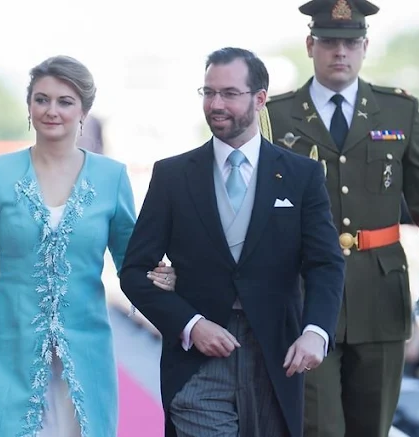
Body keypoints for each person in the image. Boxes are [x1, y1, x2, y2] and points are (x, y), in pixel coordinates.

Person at [0, 55, 177, 437]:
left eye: (65, 101)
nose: (52, 110)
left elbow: (134, 264)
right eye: (41, 99)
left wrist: (172, 281)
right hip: (7, 353)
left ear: (84, 111)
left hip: (86, 356)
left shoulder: (111, 177)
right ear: (29, 106)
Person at [120, 47, 345, 437]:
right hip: (197, 364)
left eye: (228, 93)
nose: (215, 104)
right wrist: (190, 325)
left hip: (277, 357)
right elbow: (135, 271)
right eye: (208, 93)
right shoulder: (172, 176)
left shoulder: (301, 175)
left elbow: (325, 263)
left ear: (259, 99)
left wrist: (316, 331)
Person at [265, 1, 419, 436]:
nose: (340, 52)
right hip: (304, 296)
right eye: (330, 42)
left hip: (379, 295)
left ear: (365, 46)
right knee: (320, 428)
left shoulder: (397, 112)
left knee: (373, 428)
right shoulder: (276, 117)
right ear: (310, 44)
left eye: (350, 42)